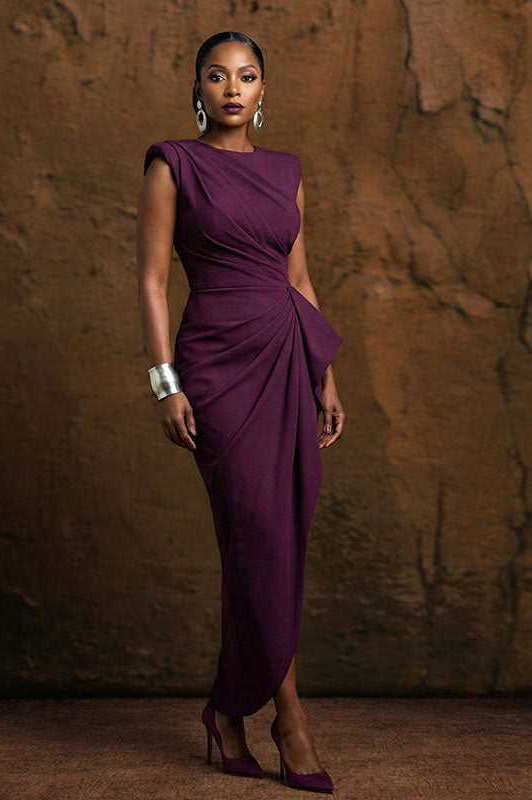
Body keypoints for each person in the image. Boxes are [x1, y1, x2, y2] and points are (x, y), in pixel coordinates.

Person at [136, 30, 345, 794]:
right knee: (255, 535)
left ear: (263, 91)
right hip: (217, 371)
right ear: (198, 88)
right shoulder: (172, 164)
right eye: (218, 76)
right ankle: (290, 720)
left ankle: (226, 712)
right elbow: (153, 281)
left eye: (247, 76)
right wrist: (166, 384)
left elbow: (299, 279)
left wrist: (325, 375)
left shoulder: (287, 172)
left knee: (275, 538)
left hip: (286, 361)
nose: (232, 88)